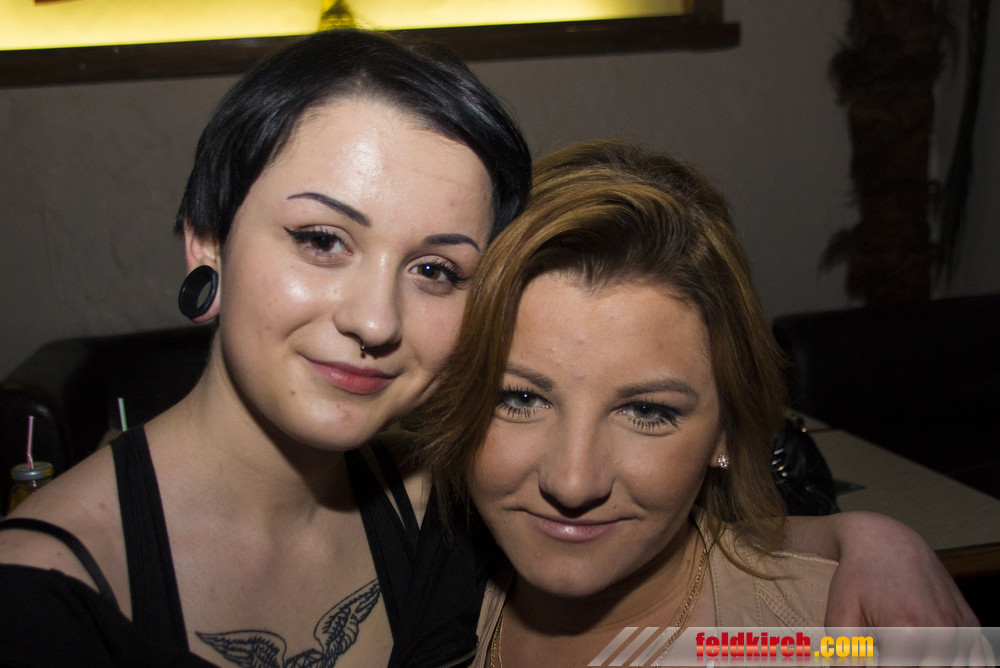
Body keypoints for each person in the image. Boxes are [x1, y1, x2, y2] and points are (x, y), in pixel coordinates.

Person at [0, 30, 974, 667]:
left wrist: (867, 539)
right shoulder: (45, 600)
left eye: (434, 268)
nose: (374, 317)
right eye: (321, 240)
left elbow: (705, 571)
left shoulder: (436, 499)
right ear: (206, 240)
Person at [417, 139, 981, 666]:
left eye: (647, 412)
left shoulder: (845, 642)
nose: (572, 482)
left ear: (726, 431)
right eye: (520, 398)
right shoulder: (408, 582)